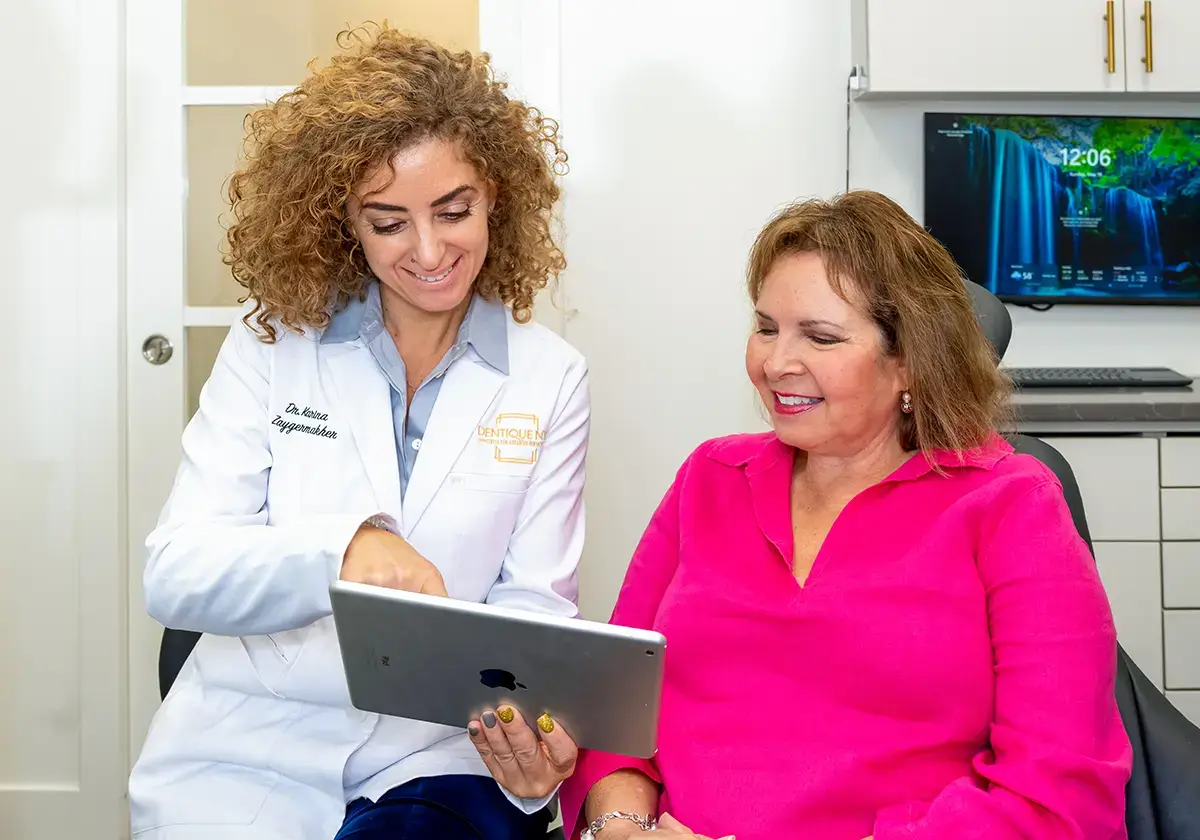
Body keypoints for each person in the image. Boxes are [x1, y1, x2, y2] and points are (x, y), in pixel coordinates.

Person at [129, 25, 587, 840]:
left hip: (440, 755)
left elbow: (531, 610)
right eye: (388, 223)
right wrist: (341, 551)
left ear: (497, 197)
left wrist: (533, 740)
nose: (430, 251)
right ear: (340, 219)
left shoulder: (550, 377)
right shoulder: (272, 345)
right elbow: (177, 572)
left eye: (455, 211)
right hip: (248, 753)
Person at [559, 191, 1133, 840]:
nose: (775, 363)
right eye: (766, 327)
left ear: (909, 361)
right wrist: (622, 827)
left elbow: (1060, 796)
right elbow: (611, 709)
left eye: (821, 337)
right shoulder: (710, 480)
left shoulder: (1011, 506)